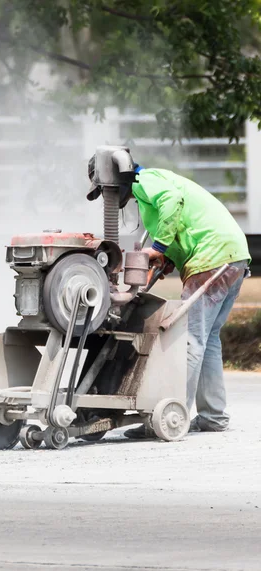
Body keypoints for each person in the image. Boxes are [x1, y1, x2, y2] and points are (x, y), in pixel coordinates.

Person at [87, 156, 251, 436]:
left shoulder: (145, 181)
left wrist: (160, 247)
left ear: (119, 181)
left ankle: (173, 414)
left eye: (108, 190)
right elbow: (183, 222)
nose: (109, 198)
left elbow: (173, 202)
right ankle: (213, 416)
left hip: (212, 258)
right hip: (233, 256)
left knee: (189, 339)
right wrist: (164, 258)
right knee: (207, 339)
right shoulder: (155, 184)